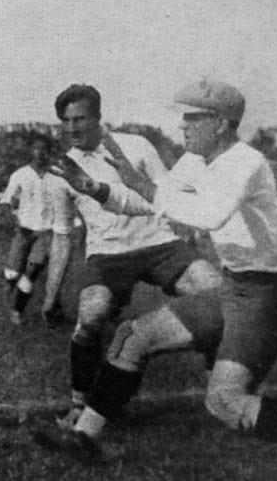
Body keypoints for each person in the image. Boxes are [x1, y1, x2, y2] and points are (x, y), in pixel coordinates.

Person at [37, 80, 277, 479]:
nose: (182, 126)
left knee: (224, 402)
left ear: (220, 123)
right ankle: (83, 437)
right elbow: (153, 200)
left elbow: (208, 215)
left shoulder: (246, 161)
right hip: (235, 287)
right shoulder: (193, 161)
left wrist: (140, 184)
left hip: (268, 296)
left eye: (192, 118)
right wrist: (98, 189)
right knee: (133, 337)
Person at [45, 84, 223, 427]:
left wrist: (189, 231)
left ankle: (225, 392)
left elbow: (168, 193)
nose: (71, 128)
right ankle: (80, 404)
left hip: (159, 243)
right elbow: (62, 237)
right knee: (92, 314)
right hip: (107, 256)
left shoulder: (136, 146)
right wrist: (50, 296)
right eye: (65, 121)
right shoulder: (62, 173)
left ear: (98, 117)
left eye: (79, 119)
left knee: (215, 291)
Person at [0, 132, 67, 326]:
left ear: (49, 153)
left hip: (46, 232)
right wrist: (12, 218)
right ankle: (11, 288)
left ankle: (17, 310)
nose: (40, 154)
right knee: (12, 273)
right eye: (37, 149)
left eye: (45, 151)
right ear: (31, 151)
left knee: (32, 272)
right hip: (24, 230)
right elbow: (5, 201)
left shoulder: (58, 177)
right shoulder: (20, 175)